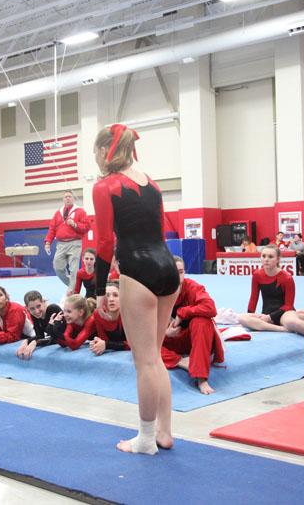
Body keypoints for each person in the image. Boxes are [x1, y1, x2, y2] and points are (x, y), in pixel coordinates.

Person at [92, 123, 180, 455]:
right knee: (154, 357)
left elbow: (103, 244)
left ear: (104, 151)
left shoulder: (106, 186)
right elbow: (158, 231)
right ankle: (165, 432)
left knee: (143, 362)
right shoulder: (152, 183)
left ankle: (145, 440)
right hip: (168, 269)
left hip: (137, 272)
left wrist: (100, 289)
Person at [160, 256, 224, 395]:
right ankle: (182, 361)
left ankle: (201, 378)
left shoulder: (192, 287)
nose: (178, 276)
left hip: (192, 339)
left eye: (181, 272)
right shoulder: (158, 292)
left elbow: (210, 308)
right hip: (169, 341)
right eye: (173, 272)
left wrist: (183, 312)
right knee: (141, 346)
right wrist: (165, 334)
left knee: (202, 321)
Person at [239, 246, 304, 339]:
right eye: (264, 256)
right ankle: (282, 329)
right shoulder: (257, 275)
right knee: (242, 318)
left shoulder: (286, 277)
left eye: (270, 257)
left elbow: (289, 305)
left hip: (285, 313)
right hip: (266, 313)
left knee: (293, 322)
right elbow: (253, 299)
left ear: (278, 259)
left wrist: (270, 317)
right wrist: (250, 314)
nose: (266, 259)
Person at [44, 190, 90, 290]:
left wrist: (74, 224)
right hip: (60, 244)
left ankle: (71, 291)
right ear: (63, 199)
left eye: (69, 196)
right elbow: (52, 228)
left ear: (73, 198)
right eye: (65, 197)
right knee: (57, 267)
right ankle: (73, 287)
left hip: (75, 243)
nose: (68, 198)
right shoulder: (58, 213)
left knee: (73, 269)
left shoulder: (80, 211)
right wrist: (48, 242)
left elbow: (86, 226)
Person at [15, 290, 63, 360]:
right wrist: (26, 341)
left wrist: (35, 343)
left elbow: (59, 337)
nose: (36, 311)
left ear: (43, 302)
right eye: (32, 309)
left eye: (38, 306)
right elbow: (40, 335)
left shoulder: (53, 309)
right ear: (27, 308)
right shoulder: (34, 315)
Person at [89, 281, 128, 356]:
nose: (111, 299)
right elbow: (103, 340)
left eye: (115, 295)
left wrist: (107, 345)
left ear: (122, 297)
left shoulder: (128, 314)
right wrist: (97, 343)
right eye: (107, 296)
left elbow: (135, 344)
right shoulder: (98, 314)